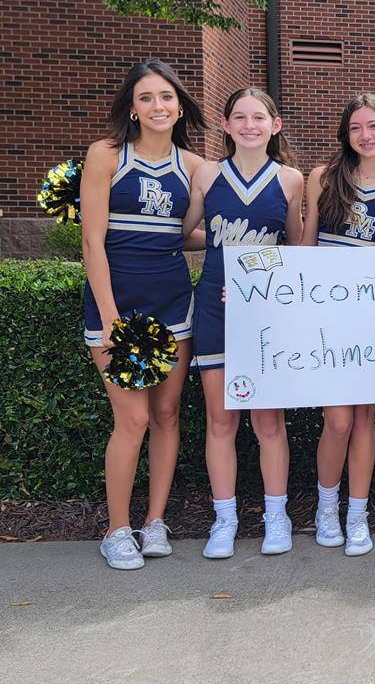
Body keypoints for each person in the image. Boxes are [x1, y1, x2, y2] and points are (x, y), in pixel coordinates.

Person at [81, 59, 206, 570]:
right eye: (147, 98)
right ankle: (117, 529)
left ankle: (154, 522)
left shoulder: (194, 167)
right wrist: (110, 316)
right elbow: (92, 241)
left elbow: (187, 235)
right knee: (130, 420)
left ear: (180, 106)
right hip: (118, 306)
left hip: (173, 303)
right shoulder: (106, 155)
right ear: (132, 108)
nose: (158, 106)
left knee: (165, 414)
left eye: (167, 97)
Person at [182, 87, 304, 560]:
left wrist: (263, 285)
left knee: (268, 421)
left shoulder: (290, 179)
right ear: (226, 124)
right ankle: (225, 517)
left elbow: (294, 249)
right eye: (240, 117)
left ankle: (277, 515)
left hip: (266, 314)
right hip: (215, 305)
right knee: (221, 420)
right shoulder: (208, 174)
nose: (249, 125)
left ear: (275, 125)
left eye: (259, 117)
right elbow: (186, 230)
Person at [302, 94, 375, 555]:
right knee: (338, 420)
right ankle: (326, 508)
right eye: (355, 128)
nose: (365, 136)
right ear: (345, 135)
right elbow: (305, 246)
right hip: (325, 316)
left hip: (370, 321)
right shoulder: (323, 178)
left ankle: (358, 513)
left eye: (373, 127)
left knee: (364, 419)